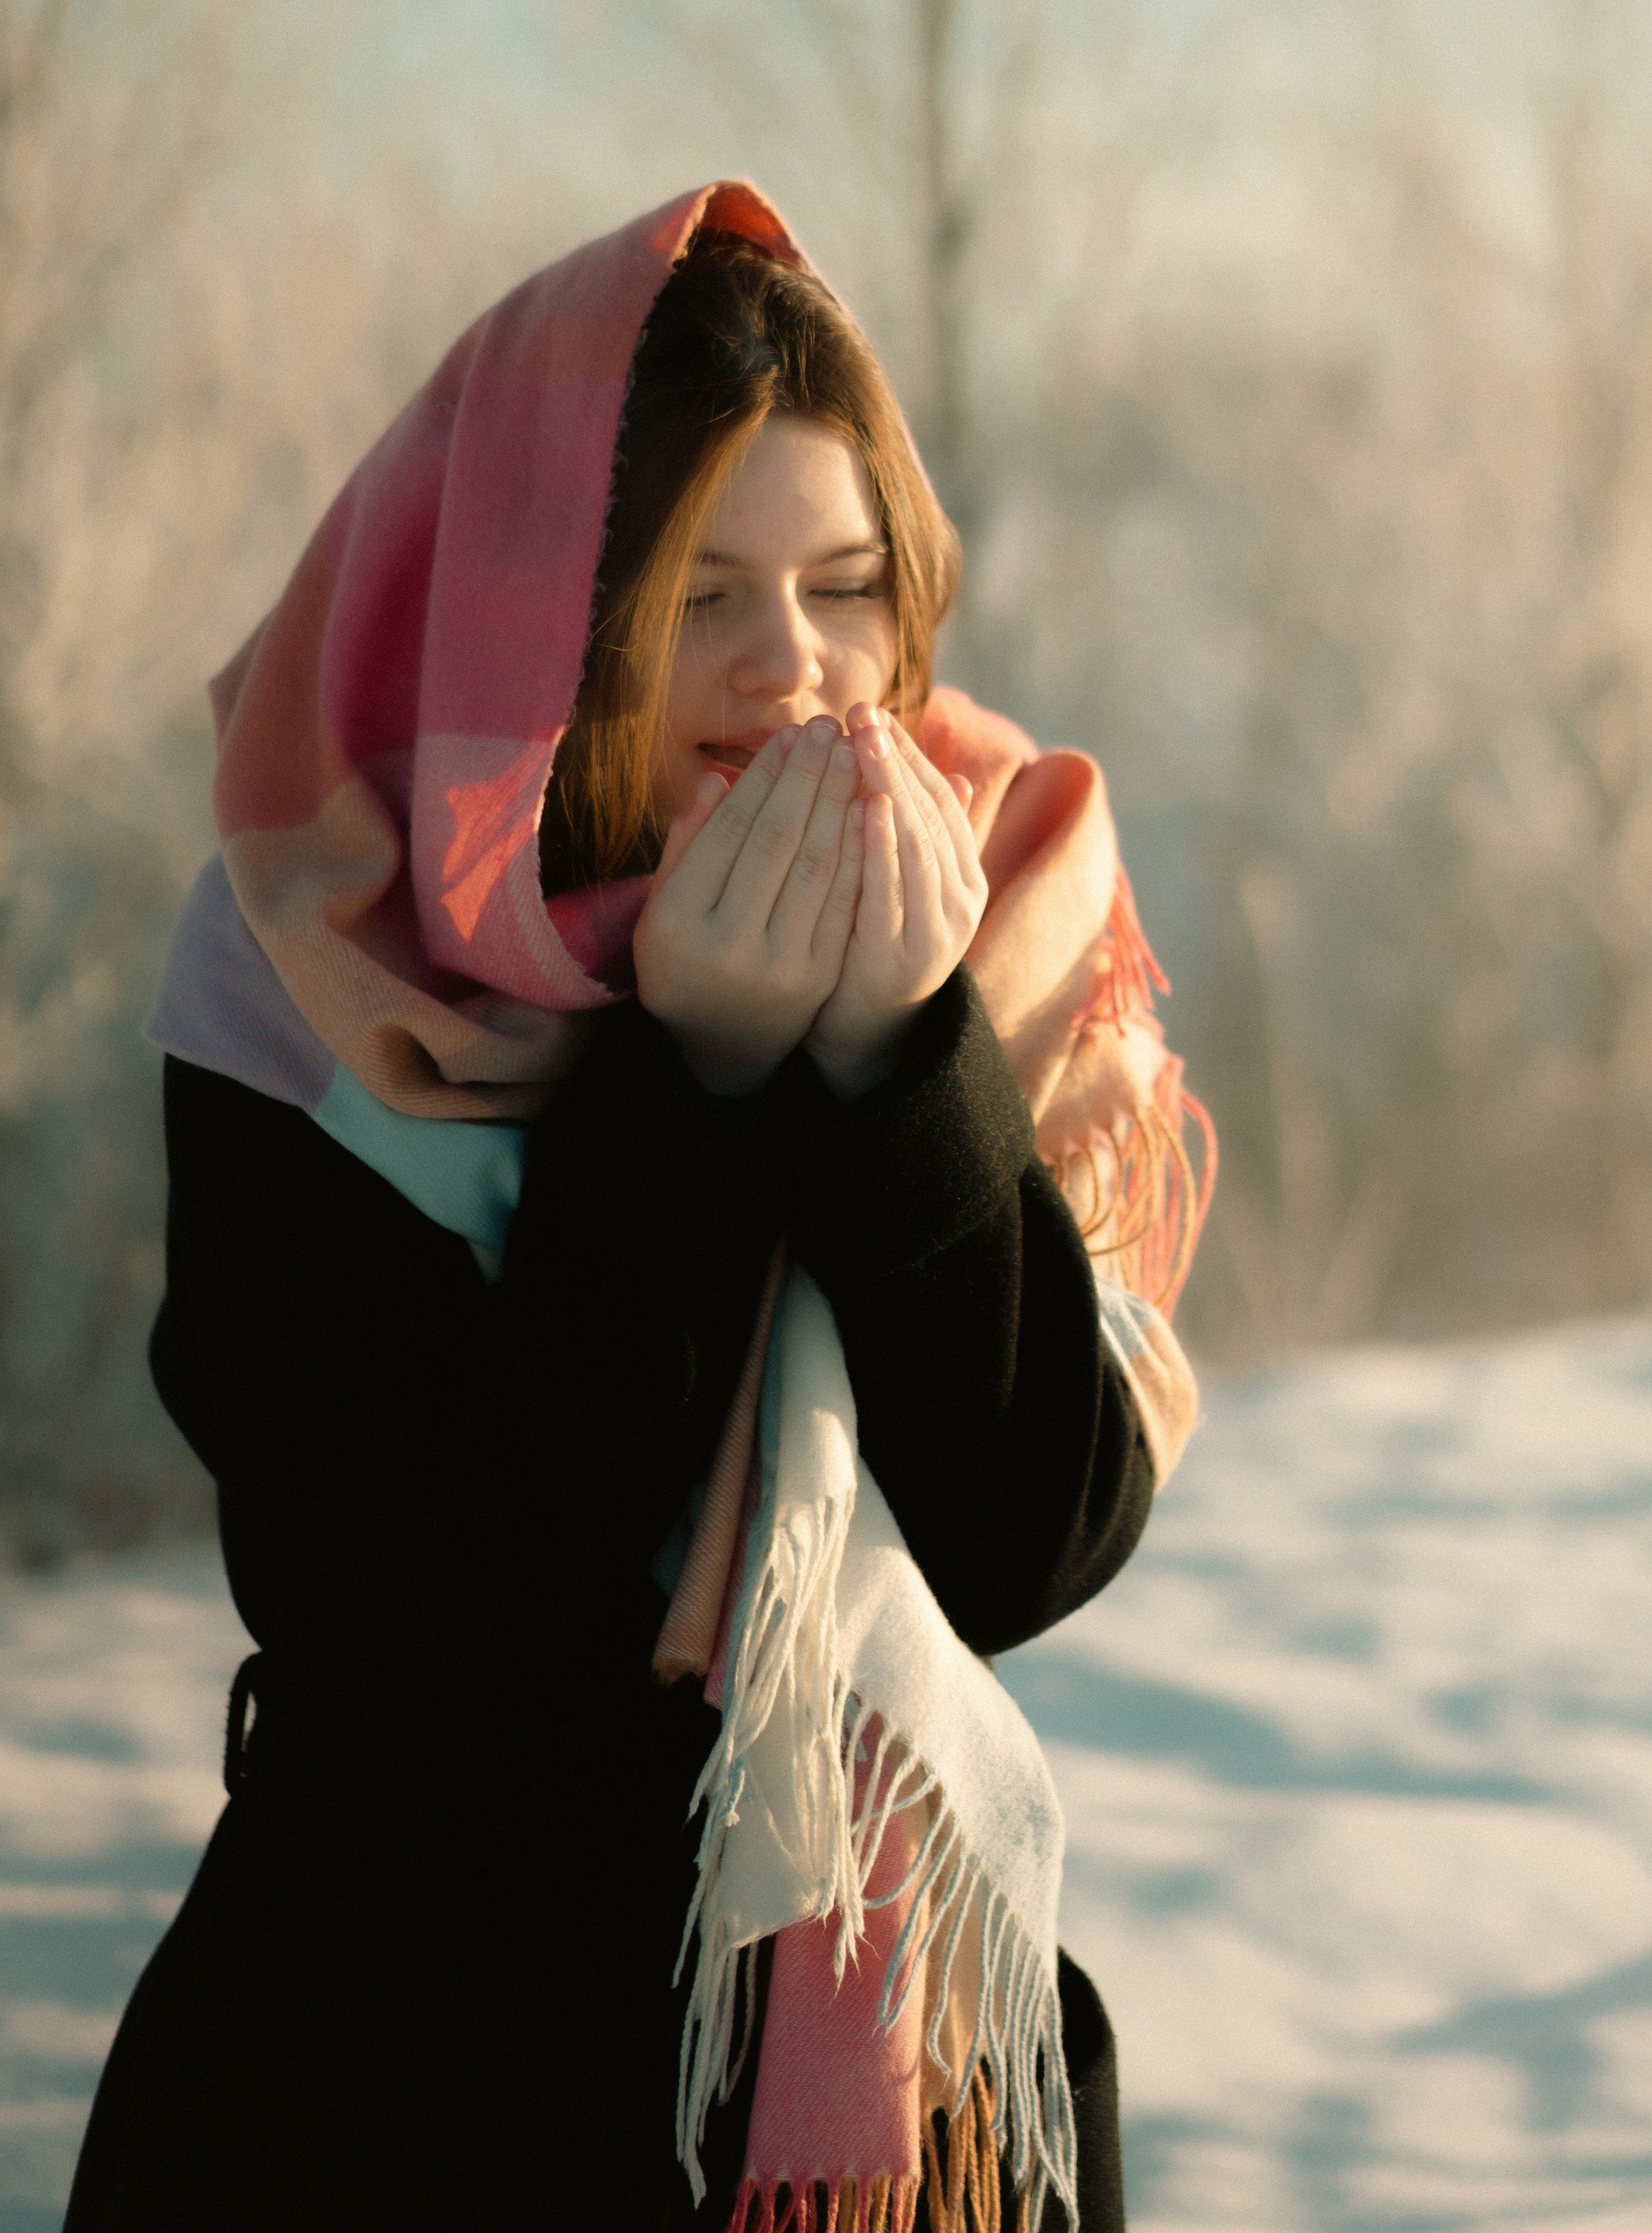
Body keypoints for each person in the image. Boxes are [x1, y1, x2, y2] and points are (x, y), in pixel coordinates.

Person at [66, 183, 1213, 2233]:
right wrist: (684, 1083)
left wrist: (898, 1066)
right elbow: (416, 1601)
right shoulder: (326, 966)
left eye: (848, 582)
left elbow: (1033, 1527)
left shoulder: (993, 897)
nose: (793, 668)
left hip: (903, 2108)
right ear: (539, 611)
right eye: (702, 592)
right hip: (408, 2078)